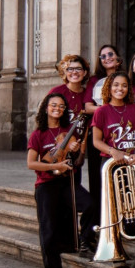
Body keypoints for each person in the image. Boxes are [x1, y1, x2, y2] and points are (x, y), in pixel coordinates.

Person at [27, 93, 96, 268]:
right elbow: (31, 163)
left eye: (61, 106)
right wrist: (54, 166)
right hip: (46, 185)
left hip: (66, 182)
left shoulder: (68, 131)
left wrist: (76, 151)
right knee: (49, 228)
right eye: (53, 105)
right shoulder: (38, 134)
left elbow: (75, 161)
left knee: (89, 204)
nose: (57, 108)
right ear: (46, 108)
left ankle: (85, 239)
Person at [84, 44, 124, 205]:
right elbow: (87, 107)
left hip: (120, 132)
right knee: (97, 176)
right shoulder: (94, 80)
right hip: (99, 131)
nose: (107, 58)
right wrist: (108, 110)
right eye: (103, 56)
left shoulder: (125, 77)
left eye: (110, 54)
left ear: (118, 58)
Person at [48, 54, 92, 192]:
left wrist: (81, 153)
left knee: (73, 190)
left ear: (84, 72)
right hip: (57, 148)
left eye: (78, 69)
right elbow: (46, 120)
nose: (74, 72)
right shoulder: (57, 92)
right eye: (70, 69)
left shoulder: (87, 95)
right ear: (65, 73)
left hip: (74, 150)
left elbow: (86, 128)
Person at [91, 71, 135, 173]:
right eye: (116, 85)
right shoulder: (101, 111)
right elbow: (96, 141)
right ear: (109, 87)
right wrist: (113, 152)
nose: (120, 89)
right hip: (112, 162)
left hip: (134, 161)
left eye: (124, 85)